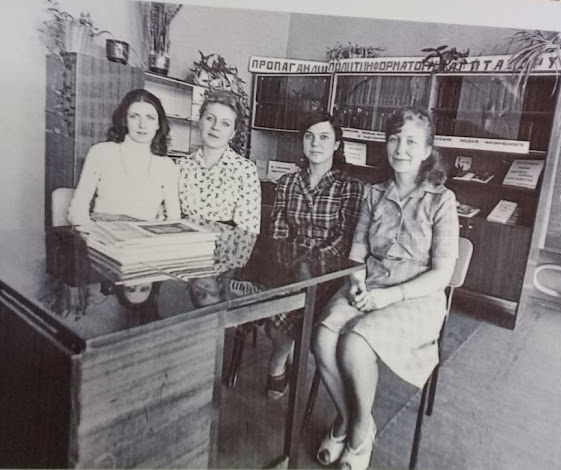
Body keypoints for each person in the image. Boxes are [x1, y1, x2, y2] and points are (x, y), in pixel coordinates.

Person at [312, 107, 459, 470]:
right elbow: (357, 253)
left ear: (427, 151)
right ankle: (352, 419)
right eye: (394, 139)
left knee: (355, 344)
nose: (400, 149)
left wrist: (388, 296)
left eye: (411, 141)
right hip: (371, 283)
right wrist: (357, 283)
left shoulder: (442, 200)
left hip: (417, 297)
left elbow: (442, 274)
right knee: (323, 337)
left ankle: (357, 434)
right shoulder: (373, 193)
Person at [265, 112, 365, 399]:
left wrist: (309, 267)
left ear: (337, 145)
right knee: (271, 297)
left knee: (286, 306)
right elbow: (278, 231)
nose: (315, 143)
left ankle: (277, 361)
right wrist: (291, 264)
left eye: (324, 137)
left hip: (328, 272)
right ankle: (283, 351)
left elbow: (344, 240)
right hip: (289, 265)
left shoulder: (349, 186)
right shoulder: (287, 182)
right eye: (309, 137)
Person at [68, 89, 180, 224]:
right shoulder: (100, 152)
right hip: (101, 229)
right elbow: (78, 209)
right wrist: (90, 233)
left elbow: (174, 218)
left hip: (142, 233)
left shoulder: (167, 165)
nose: (142, 125)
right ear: (124, 121)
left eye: (150, 118)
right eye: (134, 116)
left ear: (158, 124)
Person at [178, 90, 261, 234]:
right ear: (199, 121)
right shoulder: (180, 166)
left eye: (225, 123)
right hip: (182, 244)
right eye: (210, 118)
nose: (215, 127)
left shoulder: (245, 171)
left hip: (224, 247)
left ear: (233, 133)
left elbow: (247, 234)